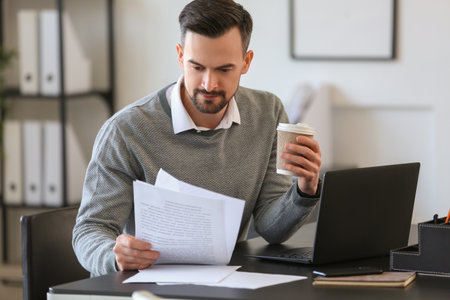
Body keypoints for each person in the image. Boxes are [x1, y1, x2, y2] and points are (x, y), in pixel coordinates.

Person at [73, 0, 322, 277]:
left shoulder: (268, 113)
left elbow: (271, 229)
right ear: (180, 56)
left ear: (246, 62)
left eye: (224, 69)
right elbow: (90, 230)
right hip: (154, 285)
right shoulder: (126, 131)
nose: (209, 84)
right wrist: (114, 256)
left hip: (231, 282)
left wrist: (304, 190)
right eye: (197, 67)